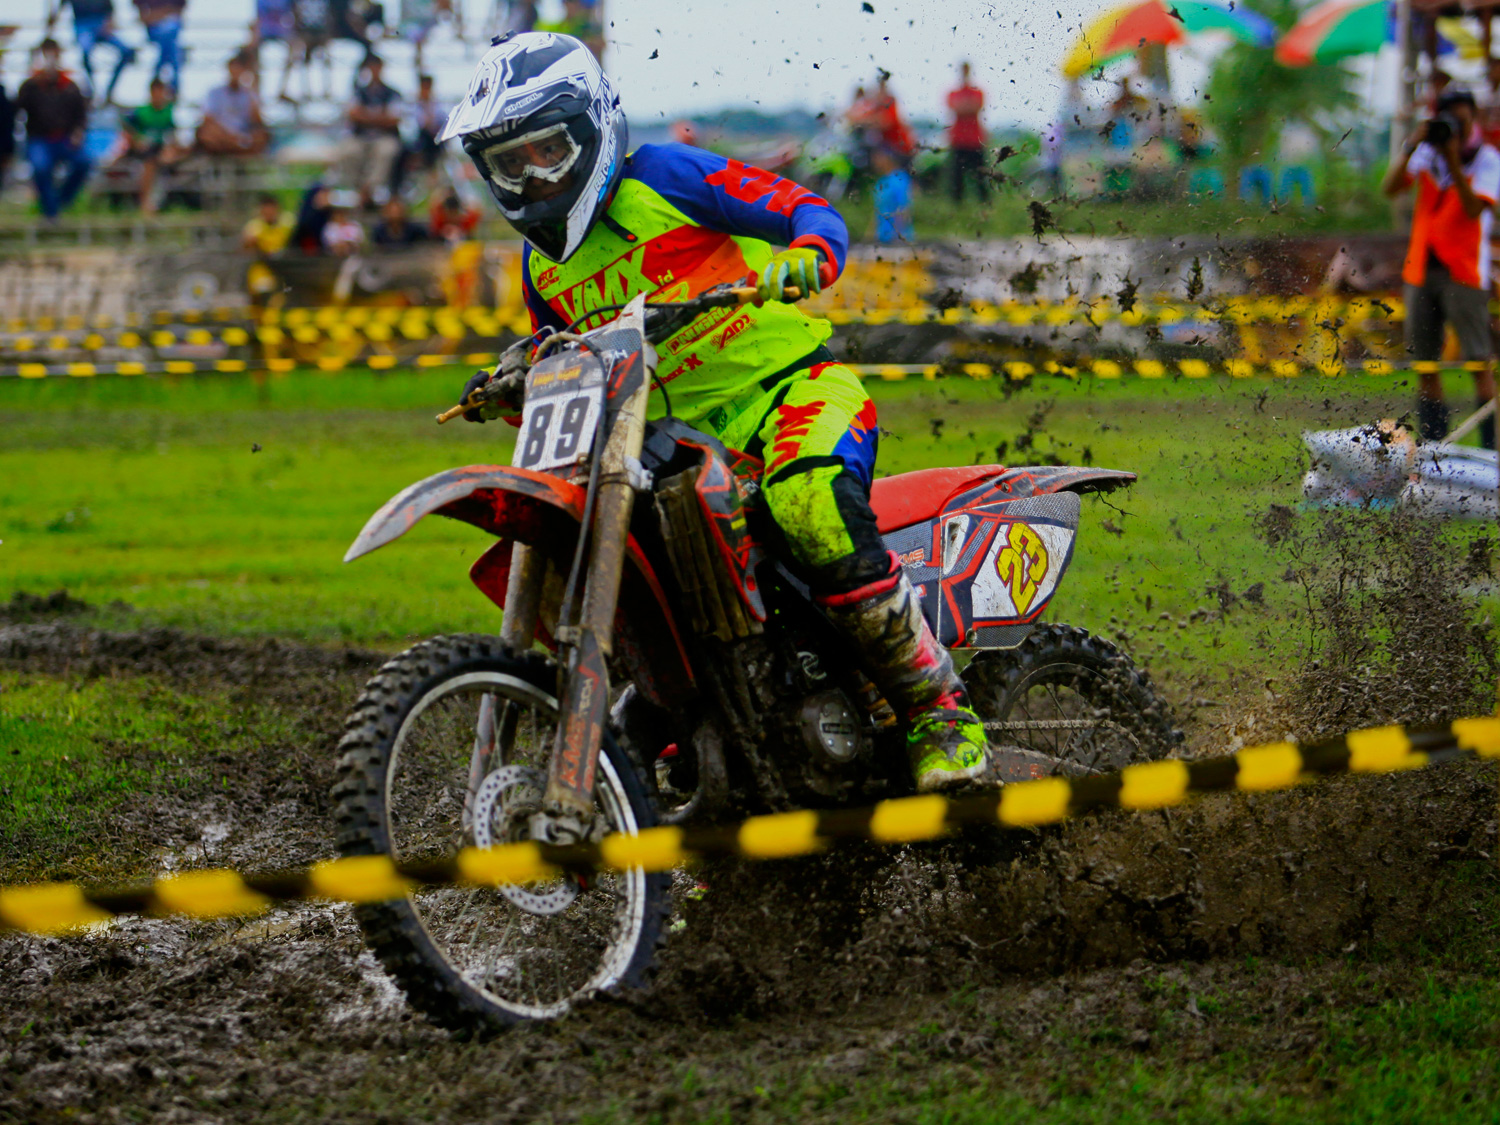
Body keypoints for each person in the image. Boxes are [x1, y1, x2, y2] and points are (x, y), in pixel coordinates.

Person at [441, 31, 989, 792]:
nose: (534, 178)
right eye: (511, 164)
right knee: (640, 556)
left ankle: (939, 710)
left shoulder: (665, 177)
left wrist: (808, 254)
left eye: (549, 152)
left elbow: (804, 209)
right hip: (675, 445)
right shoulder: (543, 265)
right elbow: (564, 355)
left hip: (790, 395)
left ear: (591, 129)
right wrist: (517, 381)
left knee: (809, 502)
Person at [1382, 86, 1500, 448]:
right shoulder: (1427, 154)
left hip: (1464, 271)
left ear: (1474, 118)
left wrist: (1453, 160)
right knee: (1426, 365)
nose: (1455, 129)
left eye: (1461, 120)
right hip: (1421, 269)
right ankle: (1434, 450)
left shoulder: (1487, 159)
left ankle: (1491, 450)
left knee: (1479, 362)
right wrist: (1410, 146)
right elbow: (1390, 188)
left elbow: (1473, 209)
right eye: (1448, 121)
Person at [15, 38, 91, 221]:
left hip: (65, 138)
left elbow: (81, 116)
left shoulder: (70, 86)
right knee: (40, 167)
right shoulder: (31, 86)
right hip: (40, 139)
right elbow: (18, 108)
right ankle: (51, 213)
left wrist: (78, 133)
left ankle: (59, 203)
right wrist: (34, 82)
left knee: (84, 162)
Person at [338, 53, 402, 208]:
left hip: (383, 137)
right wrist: (379, 117)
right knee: (348, 151)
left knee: (387, 150)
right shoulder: (359, 91)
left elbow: (394, 119)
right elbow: (352, 114)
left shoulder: (392, 93)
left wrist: (366, 116)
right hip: (360, 137)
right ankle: (358, 190)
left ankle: (371, 189)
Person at [45, 0, 135, 105]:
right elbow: (59, 9)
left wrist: (109, 22)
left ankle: (109, 91)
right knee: (85, 51)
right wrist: (49, 28)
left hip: (101, 25)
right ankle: (93, 90)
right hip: (83, 26)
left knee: (127, 52)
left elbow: (110, 7)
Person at [121, 76, 187, 212]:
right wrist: (137, 141)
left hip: (161, 149)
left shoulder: (168, 112)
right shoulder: (141, 112)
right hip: (144, 150)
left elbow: (172, 134)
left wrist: (173, 148)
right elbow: (127, 129)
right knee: (150, 161)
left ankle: (172, 200)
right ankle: (145, 202)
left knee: (178, 154)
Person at [197, 51, 270, 156]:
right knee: (208, 133)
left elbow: (257, 121)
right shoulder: (215, 92)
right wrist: (228, 135)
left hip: (243, 135)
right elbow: (208, 119)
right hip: (222, 134)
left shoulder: (249, 94)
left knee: (261, 136)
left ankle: (238, 151)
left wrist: (251, 88)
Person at [946, 61, 987, 205]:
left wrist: (964, 106)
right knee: (957, 177)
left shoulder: (977, 92)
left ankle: (984, 205)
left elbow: (975, 107)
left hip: (975, 139)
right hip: (959, 139)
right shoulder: (954, 93)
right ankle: (958, 207)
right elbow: (958, 108)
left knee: (981, 176)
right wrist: (967, 106)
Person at [133, 0, 183, 94]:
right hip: (155, 30)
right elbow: (143, 16)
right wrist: (163, 13)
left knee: (169, 36)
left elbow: (179, 12)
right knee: (171, 48)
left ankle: (156, 83)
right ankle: (173, 89)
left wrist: (156, 15)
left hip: (170, 28)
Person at [871, 145, 913, 243]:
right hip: (882, 236)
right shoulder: (881, 181)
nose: (875, 162)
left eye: (878, 158)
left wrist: (900, 235)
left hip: (897, 238)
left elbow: (903, 209)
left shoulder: (899, 179)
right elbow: (877, 210)